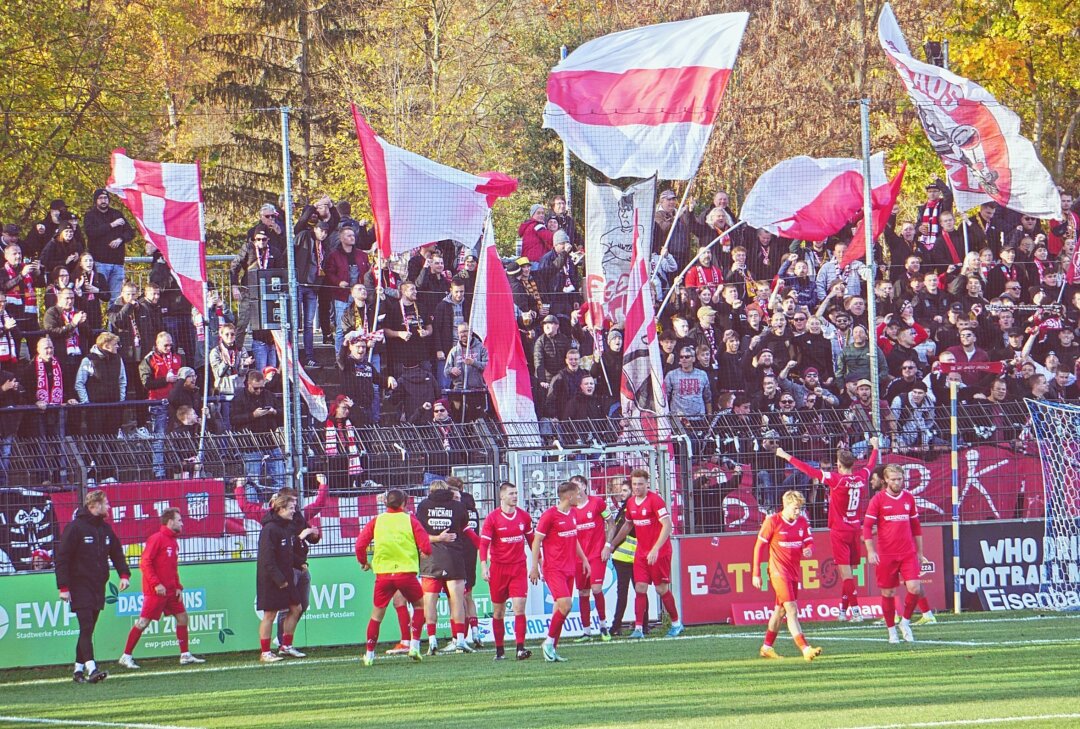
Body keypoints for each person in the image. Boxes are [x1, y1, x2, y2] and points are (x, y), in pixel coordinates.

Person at [774, 439, 878, 621]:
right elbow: (871, 464)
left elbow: (808, 469)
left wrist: (785, 455)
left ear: (838, 465)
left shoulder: (835, 479)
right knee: (849, 574)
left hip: (839, 531)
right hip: (855, 529)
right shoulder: (861, 477)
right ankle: (842, 611)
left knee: (846, 576)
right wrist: (875, 447)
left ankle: (856, 611)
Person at [355, 488, 450, 666]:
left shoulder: (377, 520)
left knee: (377, 614)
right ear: (404, 503)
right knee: (420, 605)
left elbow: (360, 544)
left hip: (383, 575)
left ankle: (369, 654)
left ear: (385, 503)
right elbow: (425, 545)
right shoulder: (410, 520)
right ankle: (414, 645)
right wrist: (424, 552)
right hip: (406, 573)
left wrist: (364, 562)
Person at [55, 490, 131, 683]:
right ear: (94, 506)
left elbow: (116, 552)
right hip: (79, 584)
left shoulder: (105, 529)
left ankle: (78, 670)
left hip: (98, 585)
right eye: (106, 504)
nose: (109, 507)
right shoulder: (75, 528)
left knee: (87, 629)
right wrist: (63, 586)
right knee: (86, 626)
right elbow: (62, 558)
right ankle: (92, 668)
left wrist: (124, 574)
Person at [118, 509, 206, 669]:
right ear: (170, 522)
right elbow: (144, 563)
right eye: (179, 520)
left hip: (171, 591)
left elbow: (172, 568)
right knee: (143, 622)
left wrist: (178, 586)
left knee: (183, 618)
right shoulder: (156, 539)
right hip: (156, 592)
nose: (182, 523)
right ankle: (126, 656)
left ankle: (185, 654)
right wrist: (156, 584)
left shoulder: (173, 541)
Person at [602, 469, 683, 639]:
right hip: (641, 553)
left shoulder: (655, 501)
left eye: (640, 484)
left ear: (647, 484)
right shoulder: (631, 503)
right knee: (640, 588)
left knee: (661, 589)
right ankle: (638, 628)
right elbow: (627, 525)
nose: (637, 487)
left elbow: (667, 526)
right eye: (634, 484)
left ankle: (676, 623)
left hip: (659, 552)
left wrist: (655, 549)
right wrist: (611, 545)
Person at [752, 490, 823, 661]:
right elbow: (759, 547)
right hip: (778, 571)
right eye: (795, 508)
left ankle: (766, 647)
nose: (798, 512)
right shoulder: (772, 521)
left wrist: (809, 549)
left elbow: (810, 542)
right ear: (786, 505)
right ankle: (805, 649)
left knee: (781, 610)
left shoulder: (802, 522)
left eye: (800, 508)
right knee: (791, 609)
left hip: (793, 571)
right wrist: (756, 573)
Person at [863, 464, 926, 643]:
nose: (897, 482)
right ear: (886, 481)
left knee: (914, 587)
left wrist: (920, 552)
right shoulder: (878, 500)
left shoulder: (909, 499)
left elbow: (916, 527)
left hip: (907, 553)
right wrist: (870, 551)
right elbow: (867, 527)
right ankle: (891, 631)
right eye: (893, 479)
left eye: (900, 479)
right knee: (888, 593)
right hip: (886, 554)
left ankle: (905, 622)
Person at [414, 480, 476, 655]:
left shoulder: (423, 506)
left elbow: (419, 535)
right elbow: (464, 527)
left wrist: (436, 538)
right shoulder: (457, 506)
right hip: (453, 558)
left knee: (430, 601)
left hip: (430, 559)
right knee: (457, 601)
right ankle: (460, 641)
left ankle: (432, 640)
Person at [530, 480, 589, 662]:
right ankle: (548, 643)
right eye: (577, 493)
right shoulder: (549, 516)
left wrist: (584, 559)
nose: (580, 496)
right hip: (554, 568)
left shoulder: (572, 514)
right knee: (566, 605)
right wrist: (534, 566)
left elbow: (574, 538)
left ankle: (551, 649)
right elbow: (536, 541)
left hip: (570, 568)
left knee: (560, 608)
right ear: (569, 496)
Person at [480, 482, 534, 660]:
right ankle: (500, 651)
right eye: (511, 493)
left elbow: (533, 541)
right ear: (502, 496)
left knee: (519, 608)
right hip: (498, 569)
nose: (515, 496)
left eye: (516, 493)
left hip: (518, 567)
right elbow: (484, 544)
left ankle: (520, 648)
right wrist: (484, 566)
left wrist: (537, 563)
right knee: (498, 612)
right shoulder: (492, 518)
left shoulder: (524, 517)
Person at [255, 493, 309, 663]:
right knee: (269, 615)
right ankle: (265, 652)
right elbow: (267, 560)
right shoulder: (269, 529)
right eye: (291, 508)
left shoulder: (286, 527)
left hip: (286, 576)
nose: (294, 511)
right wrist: (279, 580)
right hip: (272, 580)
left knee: (297, 608)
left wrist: (299, 563)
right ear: (280, 509)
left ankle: (286, 646)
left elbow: (288, 553)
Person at [570, 474, 612, 641]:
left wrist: (607, 545)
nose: (576, 489)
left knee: (596, 589)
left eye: (578, 485)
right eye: (573, 486)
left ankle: (603, 626)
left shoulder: (597, 503)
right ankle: (586, 631)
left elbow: (612, 523)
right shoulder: (570, 509)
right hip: (579, 558)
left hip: (596, 554)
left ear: (585, 486)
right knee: (583, 592)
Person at [605, 476, 636, 636]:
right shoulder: (627, 507)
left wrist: (610, 546)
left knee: (628, 591)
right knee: (637, 591)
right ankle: (640, 625)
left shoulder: (628, 508)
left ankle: (617, 626)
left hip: (627, 557)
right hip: (626, 557)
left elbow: (623, 531)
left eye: (625, 490)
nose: (621, 493)